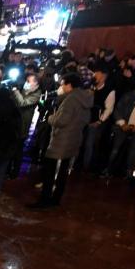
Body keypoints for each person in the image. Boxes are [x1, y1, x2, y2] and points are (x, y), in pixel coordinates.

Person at [30, 73, 91, 208]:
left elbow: (62, 120)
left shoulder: (71, 99)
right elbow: (86, 119)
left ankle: (45, 200)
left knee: (50, 171)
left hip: (61, 140)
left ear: (69, 85)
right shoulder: (84, 99)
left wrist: (51, 118)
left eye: (63, 84)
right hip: (74, 138)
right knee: (63, 172)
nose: (61, 87)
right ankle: (56, 199)